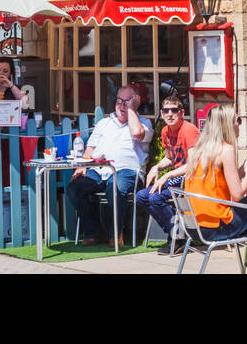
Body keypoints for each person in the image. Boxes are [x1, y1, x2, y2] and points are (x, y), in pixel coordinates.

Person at [66, 85, 152, 245]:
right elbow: (90, 148)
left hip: (127, 172)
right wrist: (83, 165)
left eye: (127, 102)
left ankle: (116, 235)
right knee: (75, 187)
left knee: (115, 186)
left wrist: (132, 109)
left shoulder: (144, 123)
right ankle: (93, 233)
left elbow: (137, 134)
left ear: (136, 103)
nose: (122, 106)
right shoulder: (104, 123)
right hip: (100, 170)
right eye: (119, 101)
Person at [183, 104, 247, 249]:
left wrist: (242, 169)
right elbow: (238, 195)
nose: (239, 123)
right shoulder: (226, 148)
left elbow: (221, 182)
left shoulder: (199, 149)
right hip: (214, 227)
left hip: (193, 226)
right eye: (238, 120)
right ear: (228, 124)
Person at [135, 91, 201, 254]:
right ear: (161, 113)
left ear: (182, 113)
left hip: (192, 179)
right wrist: (157, 167)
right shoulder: (165, 131)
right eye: (166, 111)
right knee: (142, 196)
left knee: (155, 197)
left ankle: (177, 238)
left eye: (174, 110)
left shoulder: (189, 130)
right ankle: (176, 232)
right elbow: (171, 157)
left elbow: (193, 165)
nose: (170, 114)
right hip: (179, 177)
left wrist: (167, 175)